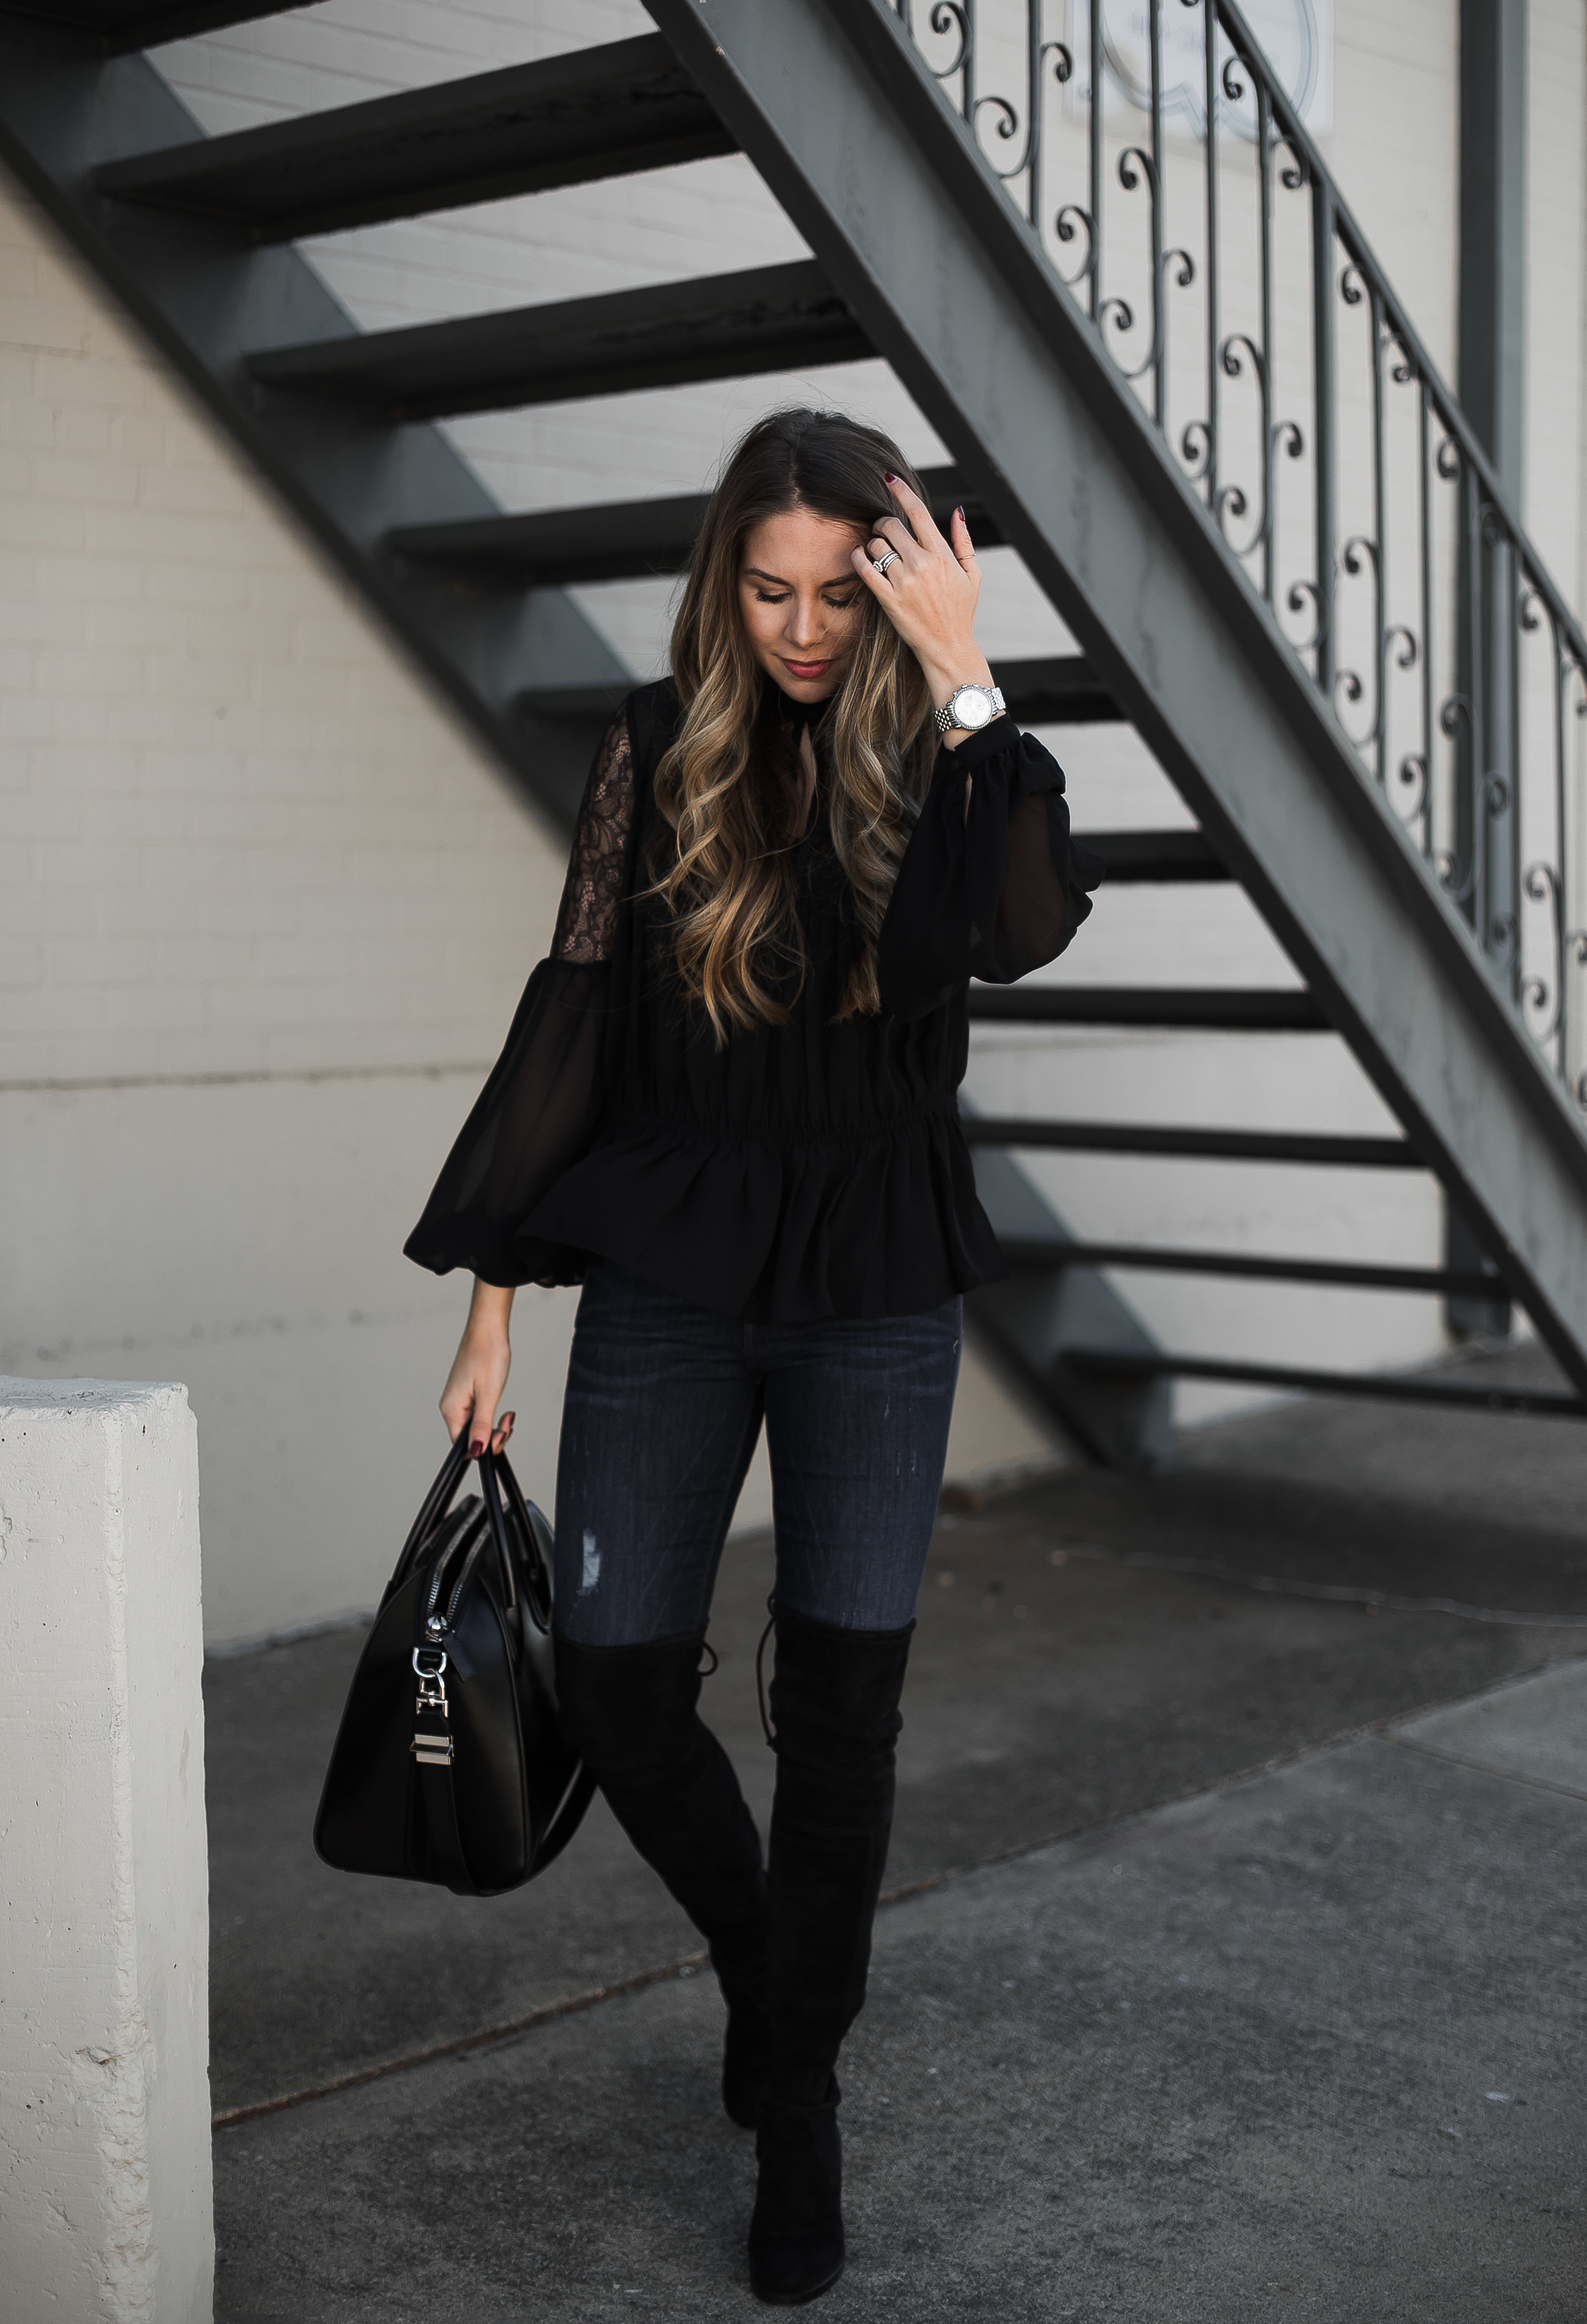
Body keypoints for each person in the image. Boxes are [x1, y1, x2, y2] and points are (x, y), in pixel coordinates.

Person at [405, 409, 1100, 2305]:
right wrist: (490, 1301)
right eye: (768, 590)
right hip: (668, 1267)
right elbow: (577, 1015)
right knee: (621, 1684)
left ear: (890, 582)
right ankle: (768, 1985)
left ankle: (793, 2100)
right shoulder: (655, 745)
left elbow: (1027, 930)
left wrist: (962, 674)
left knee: (844, 1716)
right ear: (726, 578)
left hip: (874, 1277)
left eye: (837, 594)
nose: (801, 631)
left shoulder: (945, 761)